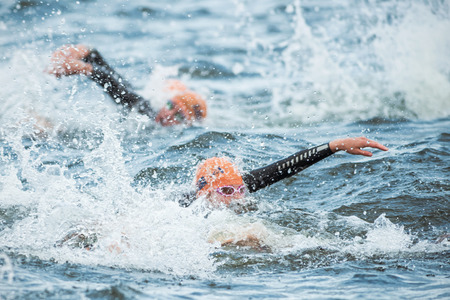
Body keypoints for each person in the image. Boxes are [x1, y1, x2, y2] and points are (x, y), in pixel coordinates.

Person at [47, 44, 207, 127]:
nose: (168, 115)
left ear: (187, 124)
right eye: (171, 105)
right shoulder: (146, 110)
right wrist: (82, 59)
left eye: (179, 116)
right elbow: (115, 85)